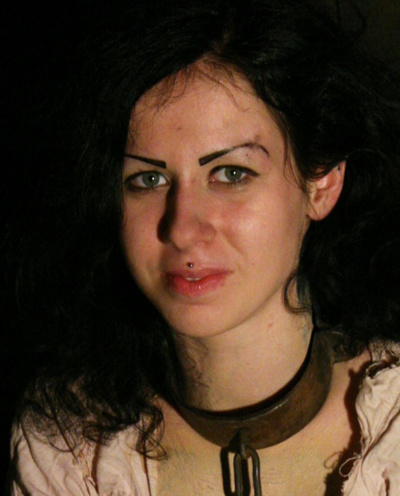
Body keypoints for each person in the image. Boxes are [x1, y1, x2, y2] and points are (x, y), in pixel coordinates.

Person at [6, 0, 400, 494]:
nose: (182, 229)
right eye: (148, 179)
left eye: (231, 173)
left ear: (321, 183)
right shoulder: (68, 449)